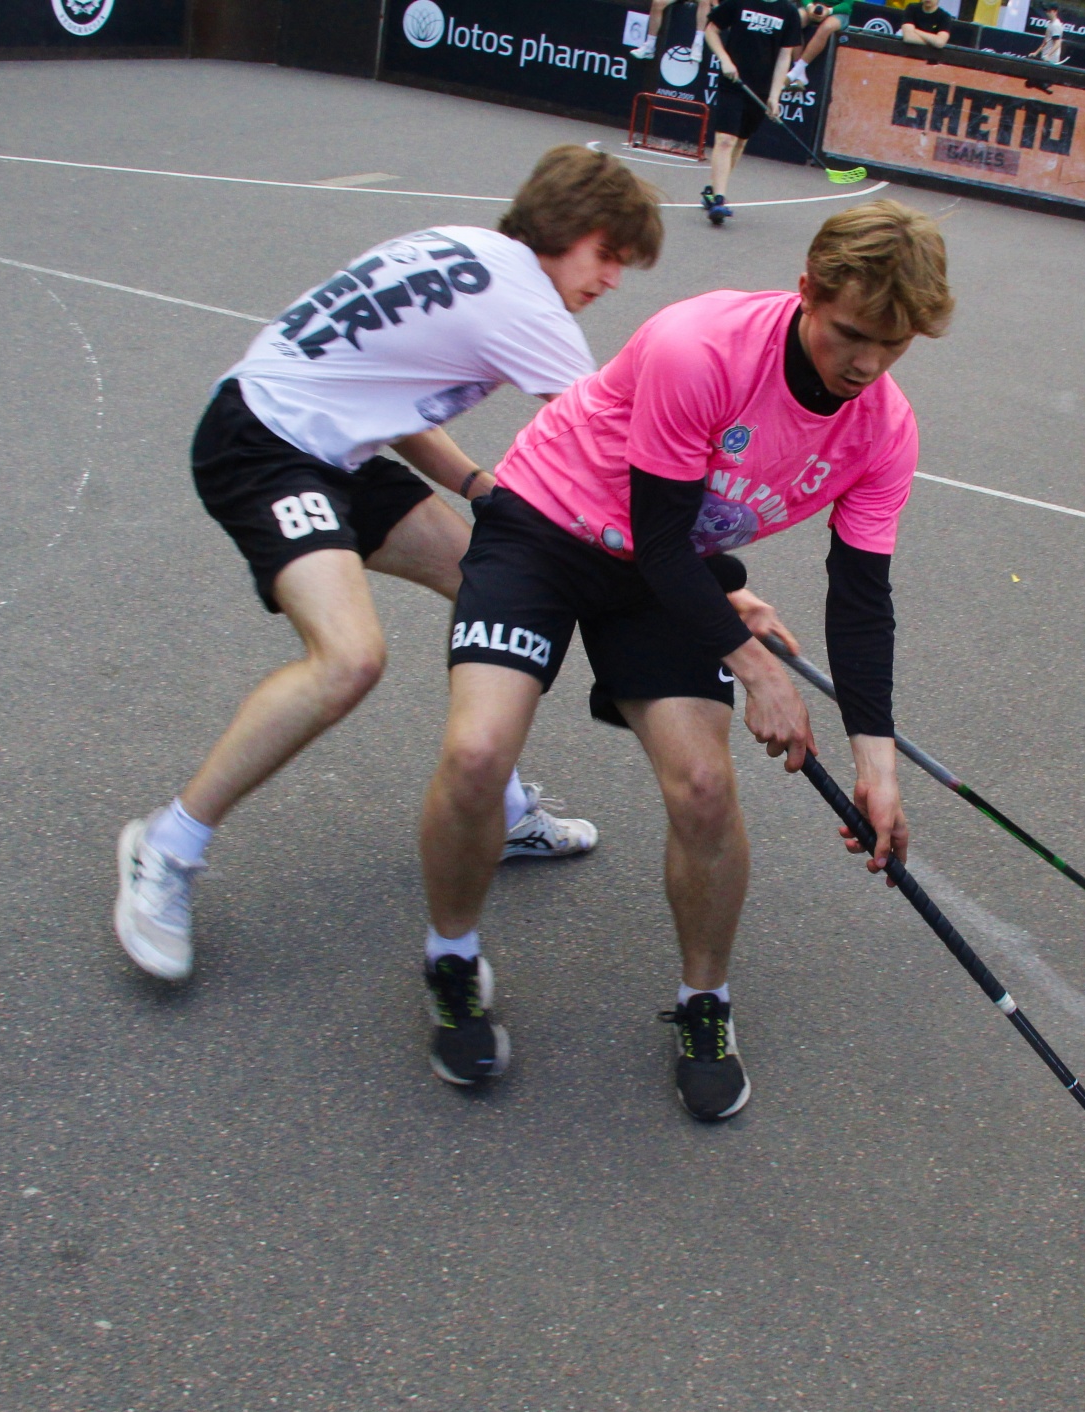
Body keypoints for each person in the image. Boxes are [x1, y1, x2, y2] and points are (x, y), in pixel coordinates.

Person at [413, 201, 951, 1119]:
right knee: (476, 754)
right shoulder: (700, 346)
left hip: (665, 570)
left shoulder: (885, 430)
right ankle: (451, 958)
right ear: (808, 291)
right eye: (852, 333)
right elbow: (661, 538)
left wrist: (879, 767)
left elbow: (862, 599)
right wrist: (754, 667)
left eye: (892, 345)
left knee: (704, 786)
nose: (865, 365)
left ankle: (706, 1002)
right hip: (549, 525)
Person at [113, 147, 661, 984]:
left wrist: (477, 487)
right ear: (567, 228)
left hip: (330, 441)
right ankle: (166, 845)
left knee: (487, 583)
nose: (613, 279)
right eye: (607, 254)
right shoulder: (526, 304)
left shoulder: (455, 246)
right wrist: (696, 578)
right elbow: (614, 452)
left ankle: (496, 807)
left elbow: (387, 389)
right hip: (267, 447)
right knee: (349, 659)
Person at [701, 0, 805, 225]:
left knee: (739, 142)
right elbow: (711, 30)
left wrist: (775, 95)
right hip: (733, 82)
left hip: (761, 88)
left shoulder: (789, 12)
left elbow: (784, 57)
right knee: (726, 140)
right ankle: (719, 200)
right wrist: (725, 60)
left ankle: (713, 190)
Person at [789, 1, 851, 87]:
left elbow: (848, 5)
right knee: (796, 20)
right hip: (813, 7)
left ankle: (795, 72)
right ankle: (800, 75)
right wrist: (809, 6)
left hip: (838, 12)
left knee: (826, 27)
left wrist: (829, 11)